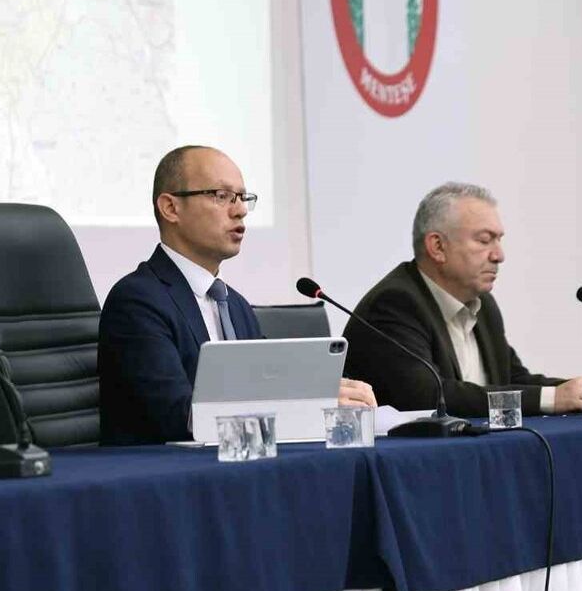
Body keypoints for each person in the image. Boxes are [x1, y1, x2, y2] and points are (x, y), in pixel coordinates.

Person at [98, 145, 375, 445]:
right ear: (171, 208)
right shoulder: (137, 301)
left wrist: (320, 394)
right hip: (161, 470)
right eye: (222, 196)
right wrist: (302, 406)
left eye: (243, 197)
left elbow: (269, 386)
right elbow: (178, 417)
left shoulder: (235, 306)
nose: (240, 210)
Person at [342, 182, 582, 417]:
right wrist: (552, 398)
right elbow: (428, 396)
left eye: (498, 240)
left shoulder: (483, 304)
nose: (499, 255)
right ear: (438, 247)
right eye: (484, 240)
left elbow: (512, 379)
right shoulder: (395, 304)